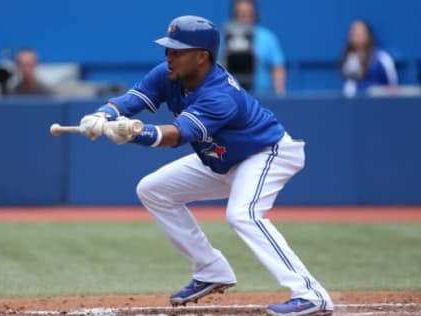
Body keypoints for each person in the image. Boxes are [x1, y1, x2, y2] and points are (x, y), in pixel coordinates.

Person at [79, 15, 333, 316]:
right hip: (221, 159)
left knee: (243, 214)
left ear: (202, 56)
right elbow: (133, 99)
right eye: (168, 50)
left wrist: (134, 133)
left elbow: (175, 136)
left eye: (178, 51)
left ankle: (311, 294)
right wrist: (103, 114)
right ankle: (211, 269)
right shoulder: (168, 74)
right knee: (152, 189)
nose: (169, 57)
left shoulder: (220, 95)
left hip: (266, 153)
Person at [223, 0, 286, 96]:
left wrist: (280, 94)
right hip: (230, 97)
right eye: (240, 14)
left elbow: (277, 68)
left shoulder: (267, 37)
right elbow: (214, 68)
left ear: (254, 14)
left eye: (248, 14)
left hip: (261, 97)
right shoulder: (223, 37)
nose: (244, 18)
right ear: (234, 15)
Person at [340, 19, 398, 97]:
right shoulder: (347, 59)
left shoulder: (382, 59)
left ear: (368, 35)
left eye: (360, 33)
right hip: (351, 106)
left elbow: (392, 86)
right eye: (353, 32)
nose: (356, 35)